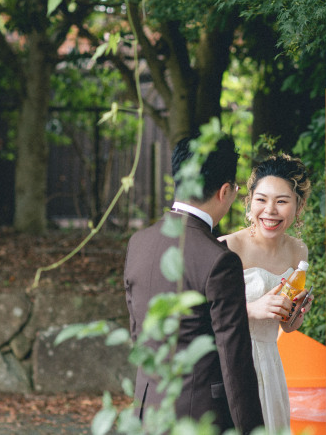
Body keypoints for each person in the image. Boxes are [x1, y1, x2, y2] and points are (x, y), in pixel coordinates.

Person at [124, 133, 265, 434]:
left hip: (147, 410)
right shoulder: (218, 260)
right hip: (200, 416)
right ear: (225, 191)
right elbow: (235, 361)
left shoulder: (138, 243)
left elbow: (138, 333)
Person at [219, 153, 313, 433]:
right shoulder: (227, 247)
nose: (270, 210)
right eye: (261, 199)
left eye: (282, 201)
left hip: (270, 364)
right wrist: (250, 309)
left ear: (298, 206)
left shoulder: (298, 250)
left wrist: (295, 315)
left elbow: (288, 325)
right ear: (249, 203)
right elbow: (202, 313)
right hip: (232, 361)